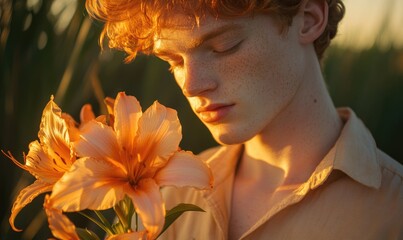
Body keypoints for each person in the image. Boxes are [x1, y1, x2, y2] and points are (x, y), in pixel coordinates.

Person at [85, 0, 403, 239]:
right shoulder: (160, 199)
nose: (192, 85)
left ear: (308, 20)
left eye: (224, 46)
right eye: (174, 61)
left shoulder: (393, 210)